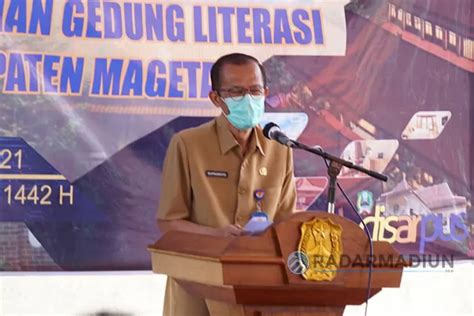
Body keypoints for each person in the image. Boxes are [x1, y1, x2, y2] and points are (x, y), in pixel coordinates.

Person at [156, 53, 297, 316]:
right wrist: (215, 236)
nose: (248, 99)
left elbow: (287, 221)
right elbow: (168, 223)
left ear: (265, 92)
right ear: (216, 99)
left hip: (258, 286)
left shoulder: (281, 149)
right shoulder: (187, 145)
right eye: (236, 92)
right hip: (195, 286)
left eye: (254, 90)